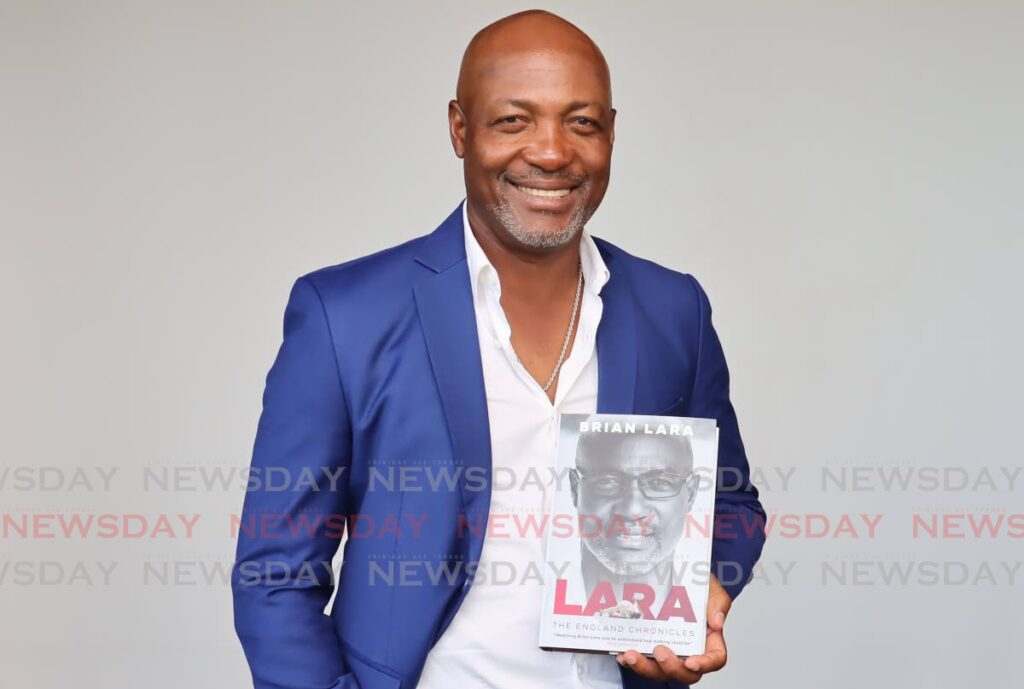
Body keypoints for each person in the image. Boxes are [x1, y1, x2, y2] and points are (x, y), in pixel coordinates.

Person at [232, 9, 766, 689]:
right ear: (460, 129)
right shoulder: (345, 315)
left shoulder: (673, 308)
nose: (550, 151)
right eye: (514, 120)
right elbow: (274, 572)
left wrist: (704, 590)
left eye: (582, 122)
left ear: (611, 133)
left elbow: (730, 503)